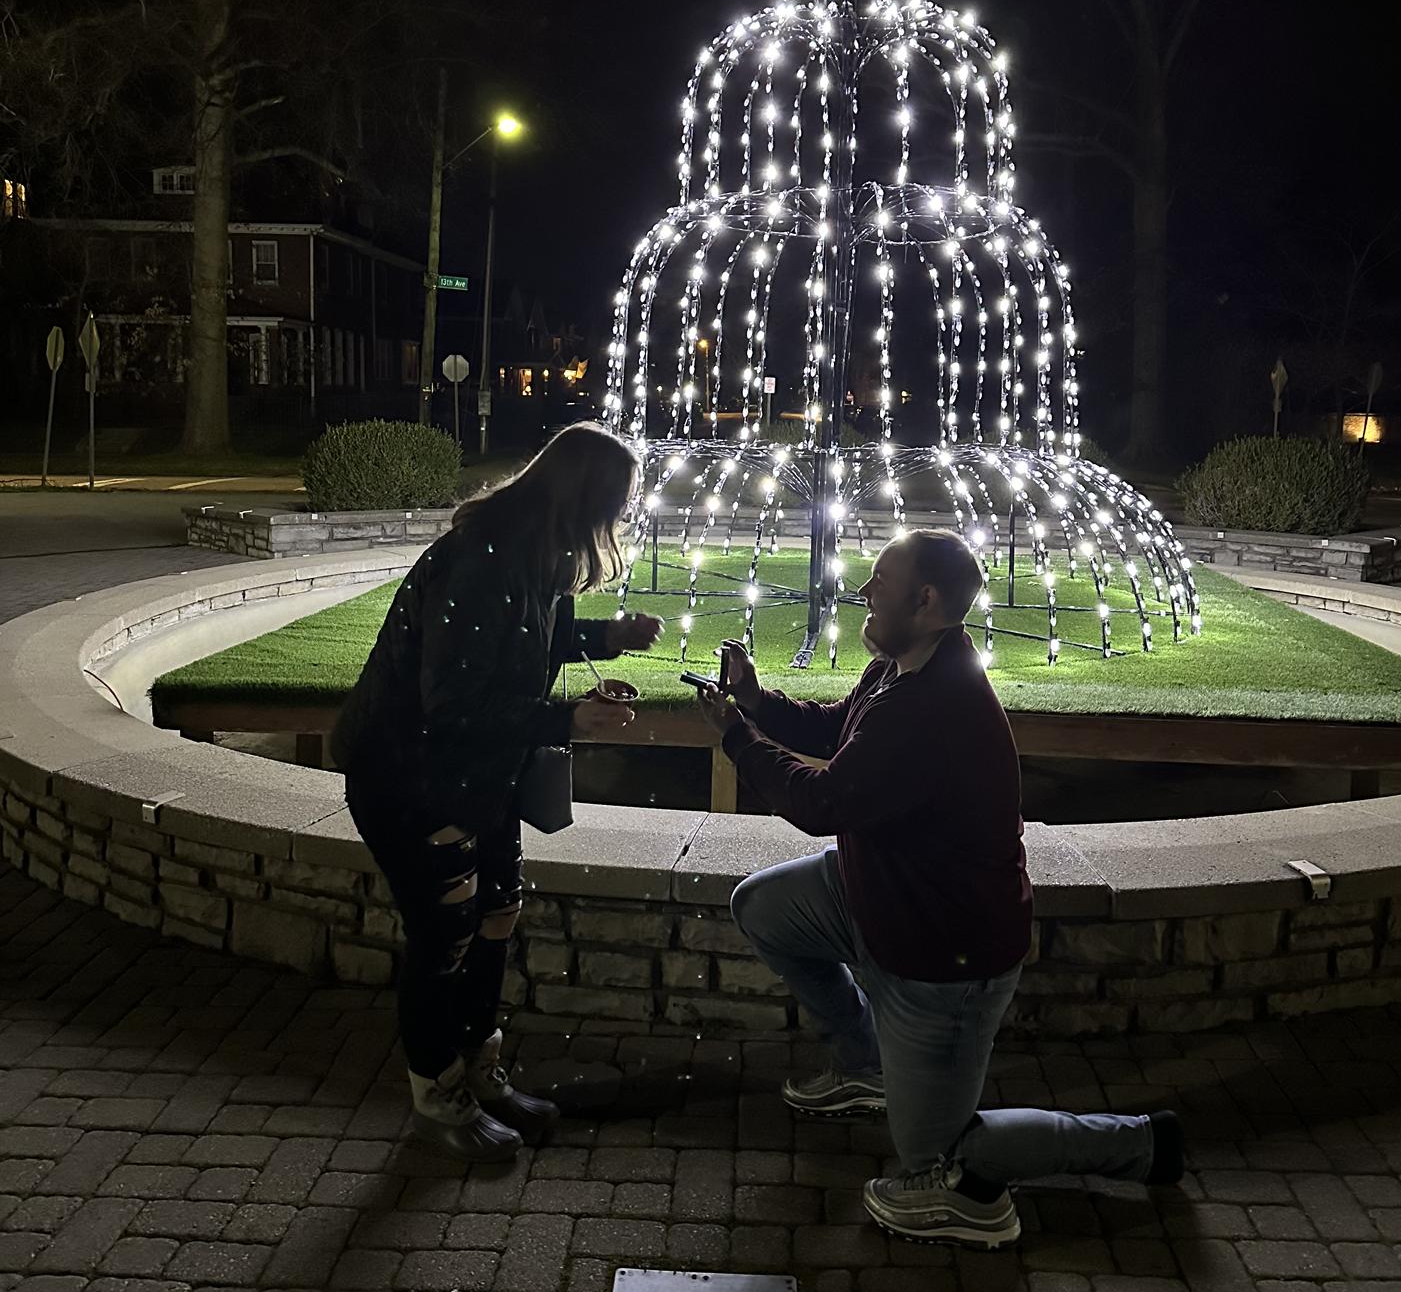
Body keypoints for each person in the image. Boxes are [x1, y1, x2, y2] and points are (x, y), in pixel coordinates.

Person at [694, 528, 1182, 1249]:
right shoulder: (901, 668)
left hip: (943, 961)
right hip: (879, 901)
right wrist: (758, 701)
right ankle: (867, 1061)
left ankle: (1137, 1146)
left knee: (936, 1157)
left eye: (880, 581)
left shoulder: (933, 706)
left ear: (925, 600)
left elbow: (823, 804)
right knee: (762, 907)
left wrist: (737, 738)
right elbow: (837, 732)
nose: (863, 590)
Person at [332, 423, 662, 1162]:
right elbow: (451, 702)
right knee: (444, 934)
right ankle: (436, 1093)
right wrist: (568, 716)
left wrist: (610, 637)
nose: (616, 520)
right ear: (582, 498)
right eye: (615, 504)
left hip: (480, 772)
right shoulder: (479, 559)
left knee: (496, 915)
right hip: (410, 776)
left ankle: (481, 1070)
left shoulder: (532, 549)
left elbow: (534, 635)